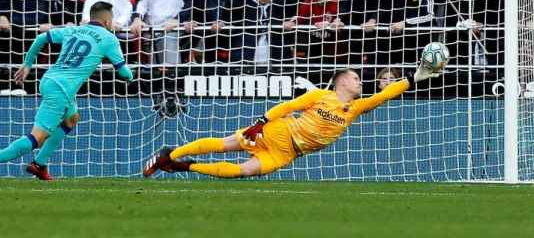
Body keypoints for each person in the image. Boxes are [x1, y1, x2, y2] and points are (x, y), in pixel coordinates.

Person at [143, 64, 441, 179]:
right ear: (341, 81)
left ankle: (180, 165)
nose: (360, 82)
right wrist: (261, 121)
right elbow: (289, 106)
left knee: (240, 172)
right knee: (225, 145)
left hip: (287, 153)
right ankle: (171, 153)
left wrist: (415, 77)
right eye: (355, 78)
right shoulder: (320, 96)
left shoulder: (357, 107)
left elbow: (385, 94)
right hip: (278, 132)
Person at [0, 1, 134, 181]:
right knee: (37, 138)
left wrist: (28, 64)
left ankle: (39, 164)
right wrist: (131, 75)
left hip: (50, 80)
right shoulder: (109, 39)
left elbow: (41, 38)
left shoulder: (74, 30)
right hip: (61, 90)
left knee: (71, 119)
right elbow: (124, 72)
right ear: (108, 22)